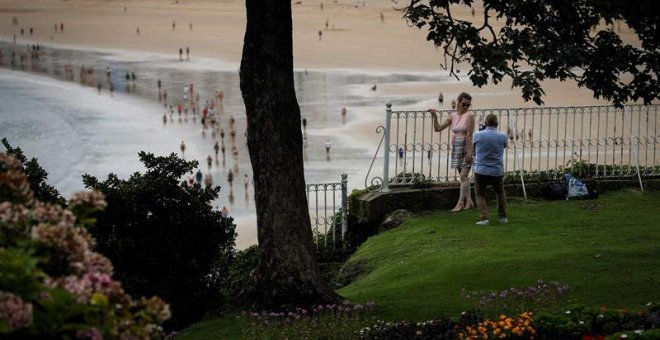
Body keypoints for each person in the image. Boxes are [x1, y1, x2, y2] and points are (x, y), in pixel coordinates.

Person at [429, 92, 476, 211]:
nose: (466, 107)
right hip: (456, 146)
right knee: (463, 177)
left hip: (466, 146)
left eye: (468, 105)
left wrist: (469, 153)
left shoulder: (470, 116)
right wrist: (435, 116)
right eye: (464, 104)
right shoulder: (453, 116)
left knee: (464, 176)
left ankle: (460, 203)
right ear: (459, 102)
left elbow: (469, 135)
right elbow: (438, 128)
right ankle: (469, 201)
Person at [472, 113, 508, 225]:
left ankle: (484, 218)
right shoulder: (503, 136)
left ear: (486, 123)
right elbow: (504, 146)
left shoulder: (477, 135)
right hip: (496, 170)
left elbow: (473, 148)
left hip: (481, 170)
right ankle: (502, 217)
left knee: (479, 194)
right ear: (497, 124)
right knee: (500, 192)